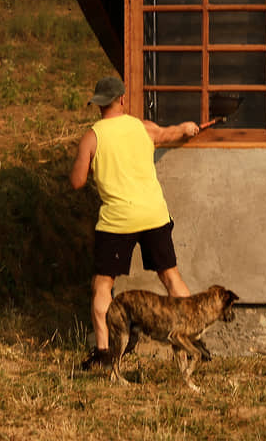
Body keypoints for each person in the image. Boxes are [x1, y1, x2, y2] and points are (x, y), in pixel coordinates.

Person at [70, 76, 200, 370]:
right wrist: (188, 129)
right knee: (170, 276)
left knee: (102, 286)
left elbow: (77, 182)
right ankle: (193, 339)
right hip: (154, 213)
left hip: (118, 219)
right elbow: (172, 133)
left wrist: (85, 161)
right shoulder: (143, 128)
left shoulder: (92, 137)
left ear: (97, 104)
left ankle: (103, 353)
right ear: (123, 100)